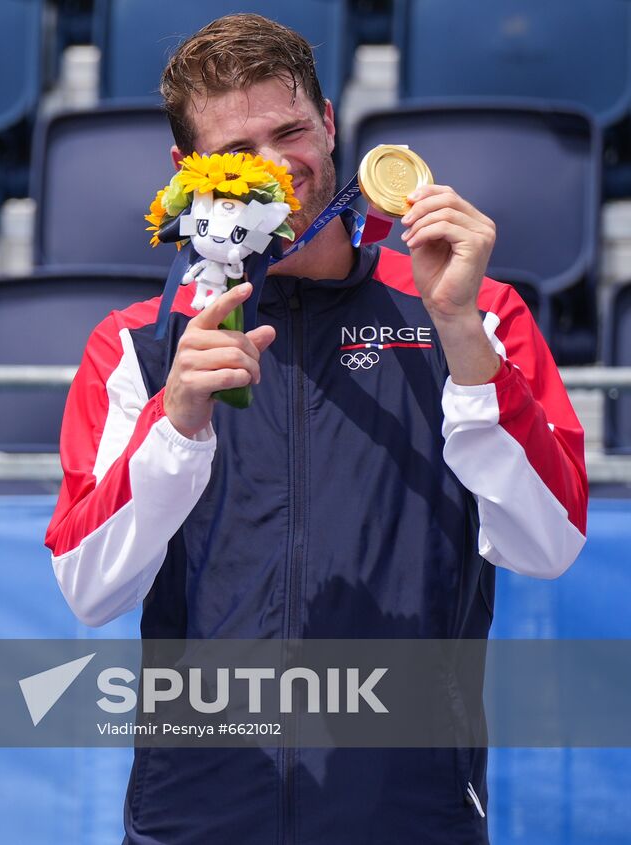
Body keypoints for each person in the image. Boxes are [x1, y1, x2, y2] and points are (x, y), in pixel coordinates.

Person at [44, 14, 586, 844]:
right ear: (189, 170)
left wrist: (462, 334)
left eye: (292, 131)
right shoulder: (141, 342)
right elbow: (90, 589)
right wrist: (177, 422)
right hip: (198, 805)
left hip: (408, 807)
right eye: (238, 149)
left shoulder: (470, 312)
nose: (277, 167)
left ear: (330, 123)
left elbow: (548, 544)